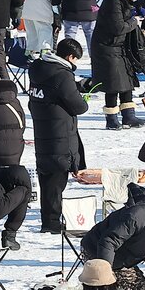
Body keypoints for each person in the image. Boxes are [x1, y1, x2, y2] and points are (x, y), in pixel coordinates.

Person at [27, 39, 88, 233]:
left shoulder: (40, 68)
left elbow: (56, 92)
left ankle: (49, 220)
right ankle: (51, 222)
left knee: (47, 177)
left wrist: (78, 86)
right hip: (59, 133)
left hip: (43, 130)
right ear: (70, 57)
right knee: (56, 179)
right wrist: (81, 95)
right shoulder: (62, 75)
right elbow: (79, 106)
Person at [91, 0, 145, 129]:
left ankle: (129, 116)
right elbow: (118, 28)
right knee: (113, 83)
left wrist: (142, 12)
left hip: (120, 46)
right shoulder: (113, 1)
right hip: (106, 45)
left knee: (127, 80)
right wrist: (134, 21)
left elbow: (133, 8)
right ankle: (111, 119)